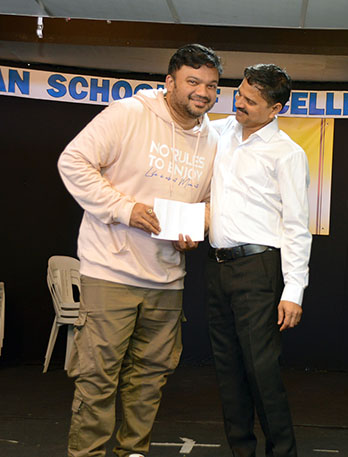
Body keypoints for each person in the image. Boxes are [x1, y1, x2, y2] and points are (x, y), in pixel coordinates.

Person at [58, 44, 222, 457]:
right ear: (169, 82)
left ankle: (133, 452)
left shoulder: (214, 139)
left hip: (167, 280)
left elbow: (211, 202)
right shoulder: (129, 114)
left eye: (211, 85)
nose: (203, 92)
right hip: (110, 272)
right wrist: (124, 209)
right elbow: (73, 162)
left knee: (149, 381)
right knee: (97, 379)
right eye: (193, 81)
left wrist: (197, 227)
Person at [206, 64, 312, 457]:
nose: (239, 103)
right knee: (228, 372)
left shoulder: (288, 153)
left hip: (259, 269)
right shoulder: (219, 133)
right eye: (239, 94)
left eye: (250, 101)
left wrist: (294, 290)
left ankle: (282, 453)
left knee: (261, 372)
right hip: (217, 266)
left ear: (275, 109)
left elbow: (297, 226)